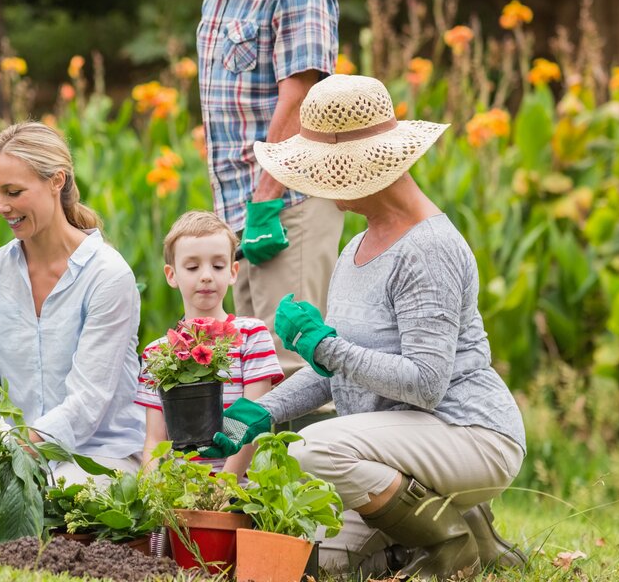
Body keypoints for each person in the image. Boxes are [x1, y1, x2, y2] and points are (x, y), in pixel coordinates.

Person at [203, 74, 527, 579]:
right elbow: (334, 370)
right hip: (400, 446)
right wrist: (261, 413)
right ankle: (467, 528)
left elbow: (425, 383)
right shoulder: (357, 248)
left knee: (311, 448)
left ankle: (452, 543)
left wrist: (325, 346)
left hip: (468, 432)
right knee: (327, 559)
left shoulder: (428, 249)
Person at [180, 0, 344, 373]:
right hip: (238, 210)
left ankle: (321, 459)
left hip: (286, 204)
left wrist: (266, 202)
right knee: (256, 368)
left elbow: (300, 94)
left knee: (293, 361)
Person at [0, 122, 145, 483]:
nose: (1, 206)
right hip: (19, 452)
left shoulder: (107, 275)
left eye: (13, 191)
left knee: (62, 494)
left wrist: (14, 446)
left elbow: (87, 402)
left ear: (56, 181)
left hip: (99, 453)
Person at [135, 211, 282, 476]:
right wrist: (151, 494)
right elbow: (155, 442)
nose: (206, 276)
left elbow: (254, 419)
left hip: (243, 488)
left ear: (233, 271)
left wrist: (226, 486)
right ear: (171, 275)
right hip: (183, 488)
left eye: (217, 266)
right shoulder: (157, 353)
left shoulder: (251, 335)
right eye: (192, 267)